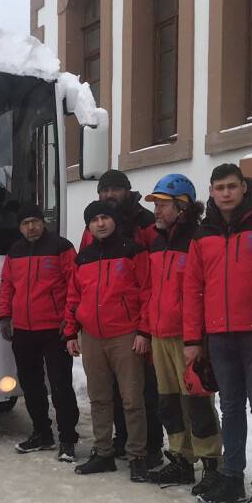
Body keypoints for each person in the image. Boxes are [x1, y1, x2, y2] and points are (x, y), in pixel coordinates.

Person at [183, 164, 252, 503]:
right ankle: (232, 477)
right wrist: (193, 339)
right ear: (211, 192)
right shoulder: (203, 234)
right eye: (219, 188)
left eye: (231, 187)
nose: (226, 193)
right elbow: (194, 287)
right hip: (219, 335)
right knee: (230, 409)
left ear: (244, 188)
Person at [142, 174, 222, 489]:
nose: (157, 211)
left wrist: (197, 339)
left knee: (198, 402)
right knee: (169, 402)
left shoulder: (198, 241)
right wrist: (147, 329)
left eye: (163, 205)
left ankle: (212, 463)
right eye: (156, 205)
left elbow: (202, 293)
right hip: (161, 334)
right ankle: (181, 459)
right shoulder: (158, 240)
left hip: (188, 339)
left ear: (183, 207)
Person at [65, 200, 152, 480]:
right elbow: (73, 297)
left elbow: (146, 291)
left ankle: (138, 455)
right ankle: (103, 452)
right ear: (88, 226)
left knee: (131, 399)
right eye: (94, 219)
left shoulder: (133, 252)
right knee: (99, 398)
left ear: (114, 220)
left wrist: (143, 331)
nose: (100, 223)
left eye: (105, 218)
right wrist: (70, 331)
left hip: (125, 334)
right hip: (91, 335)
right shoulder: (84, 258)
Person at [80, 170, 162, 466]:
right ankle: (118, 442)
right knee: (108, 392)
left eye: (116, 189)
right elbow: (82, 277)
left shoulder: (144, 222)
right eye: (105, 190)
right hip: (98, 326)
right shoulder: (92, 227)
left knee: (140, 392)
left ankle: (149, 448)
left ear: (127, 191)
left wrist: (146, 326)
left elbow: (152, 274)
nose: (110, 195)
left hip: (134, 324)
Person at [0, 202, 79, 461]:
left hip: (54, 330)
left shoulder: (61, 247)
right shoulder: (15, 252)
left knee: (60, 386)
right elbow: (7, 287)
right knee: (31, 386)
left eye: (35, 221)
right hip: (23, 329)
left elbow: (74, 286)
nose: (31, 227)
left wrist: (69, 321)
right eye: (25, 223)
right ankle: (42, 433)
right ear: (19, 227)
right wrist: (5, 316)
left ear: (43, 222)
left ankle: (67, 438)